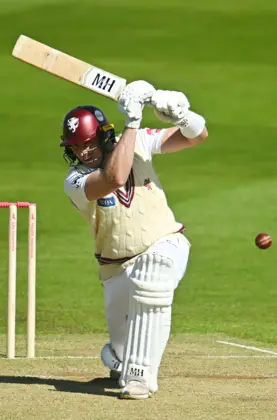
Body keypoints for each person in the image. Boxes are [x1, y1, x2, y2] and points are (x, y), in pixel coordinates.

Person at [60, 80, 209, 399]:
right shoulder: (75, 181)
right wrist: (133, 120)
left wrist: (182, 114)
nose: (82, 152)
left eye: (87, 143)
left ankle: (140, 379)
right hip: (116, 269)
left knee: (154, 274)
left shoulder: (139, 140)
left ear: (102, 135)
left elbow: (197, 136)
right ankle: (119, 357)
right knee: (121, 352)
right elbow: (113, 177)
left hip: (164, 243)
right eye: (74, 147)